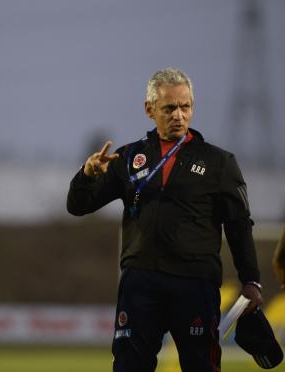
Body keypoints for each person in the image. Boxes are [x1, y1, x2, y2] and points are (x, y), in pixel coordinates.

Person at [67, 67, 263, 372]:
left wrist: (250, 279)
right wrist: (86, 175)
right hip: (140, 284)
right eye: (169, 108)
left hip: (195, 284)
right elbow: (78, 207)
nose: (179, 115)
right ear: (150, 109)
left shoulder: (219, 162)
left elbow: (239, 226)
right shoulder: (128, 158)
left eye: (185, 107)